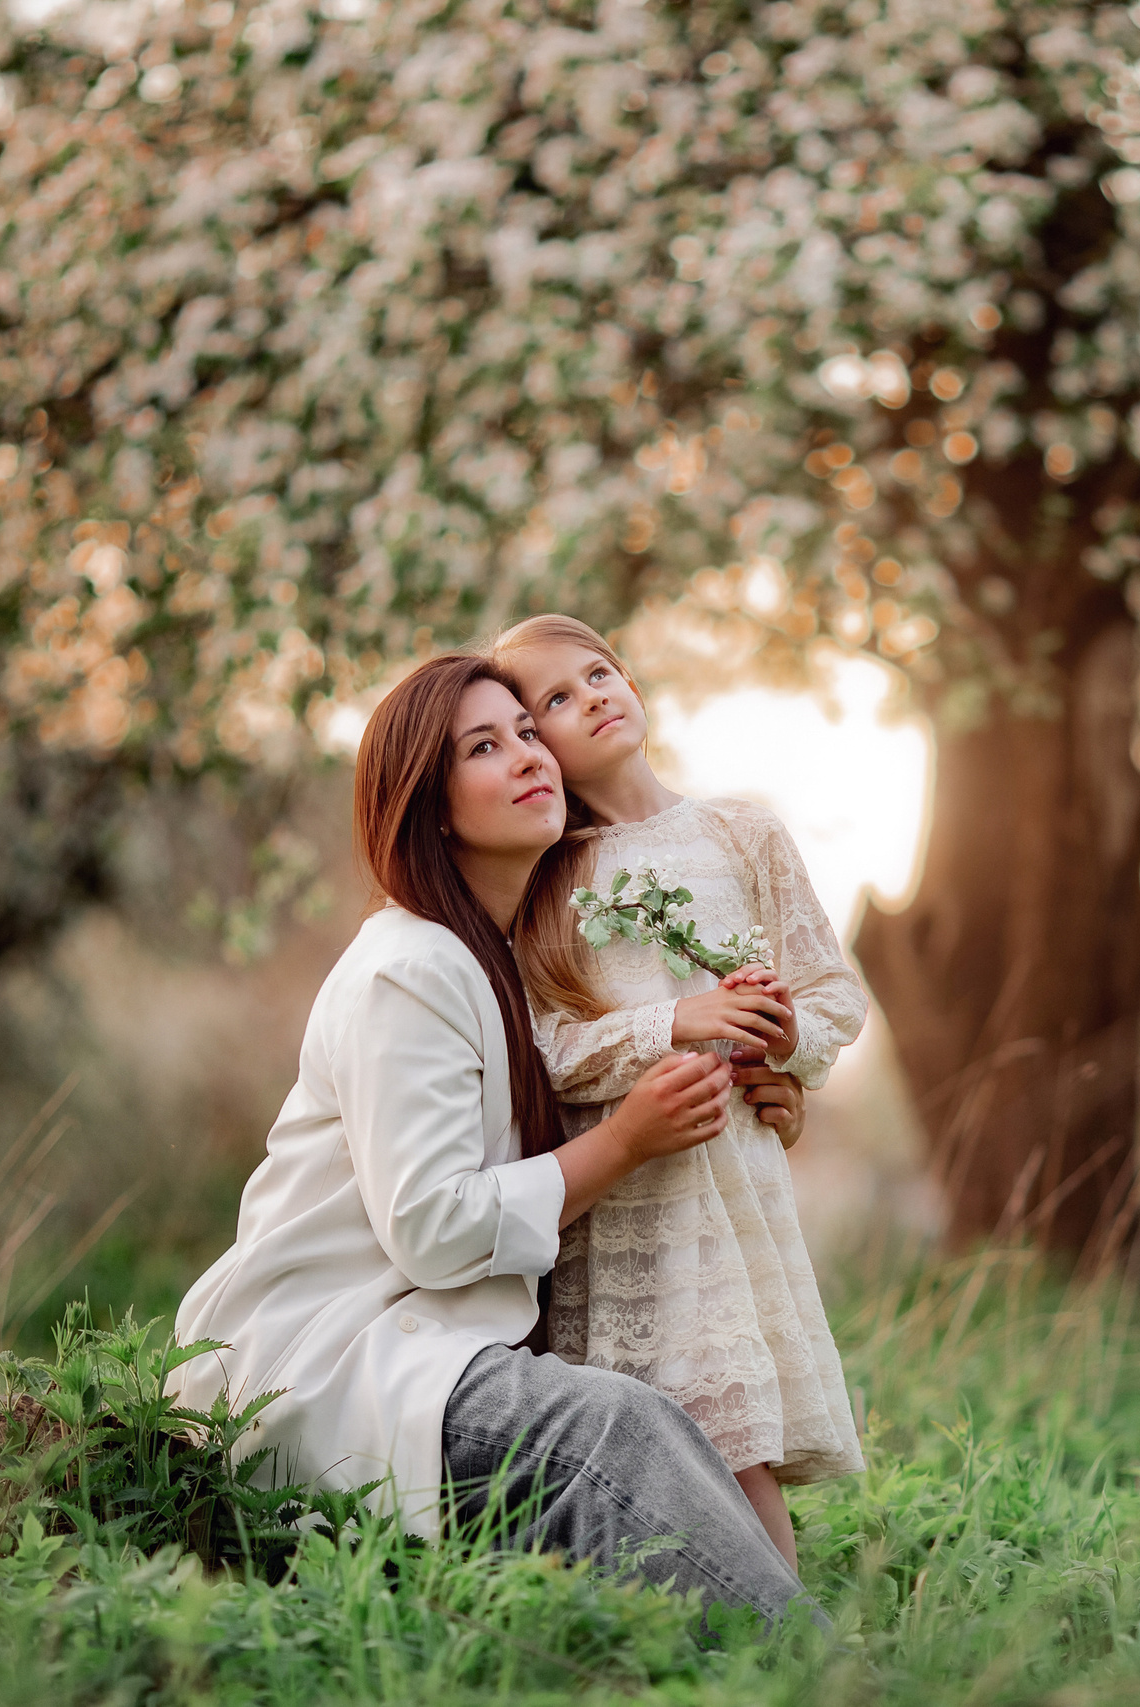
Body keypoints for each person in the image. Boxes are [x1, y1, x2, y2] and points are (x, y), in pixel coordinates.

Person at [167, 652, 817, 1625]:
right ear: (429, 805)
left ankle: (720, 1652)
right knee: (615, 1431)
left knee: (655, 1416)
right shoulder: (410, 968)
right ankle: (819, 1673)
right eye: (483, 746)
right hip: (327, 1366)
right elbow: (430, 1227)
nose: (527, 755)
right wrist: (626, 1144)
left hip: (437, 1358)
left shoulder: (506, 963)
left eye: (525, 730)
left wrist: (761, 1089)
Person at [493, 615, 866, 1574]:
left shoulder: (741, 830)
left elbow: (833, 992)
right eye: (557, 702)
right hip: (629, 1199)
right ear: (539, 746)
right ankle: (673, 1634)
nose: (595, 697)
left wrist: (783, 1041)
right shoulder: (547, 878)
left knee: (740, 1434)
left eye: (600, 672)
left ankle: (785, 1638)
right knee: (656, 1432)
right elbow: (547, 1050)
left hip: (730, 1183)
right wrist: (675, 1024)